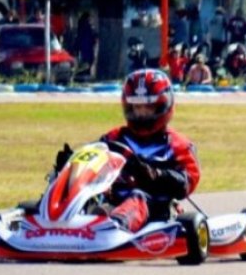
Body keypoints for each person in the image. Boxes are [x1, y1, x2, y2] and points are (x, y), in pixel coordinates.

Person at [55, 70, 201, 232]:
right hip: (113, 202)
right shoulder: (114, 138)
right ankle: (50, 218)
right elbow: (93, 157)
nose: (141, 114)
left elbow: (187, 183)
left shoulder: (177, 145)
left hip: (155, 210)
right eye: (137, 107)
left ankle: (114, 226)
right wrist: (72, 165)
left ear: (163, 106)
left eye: (148, 107)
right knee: (86, 192)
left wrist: (156, 174)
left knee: (137, 196)